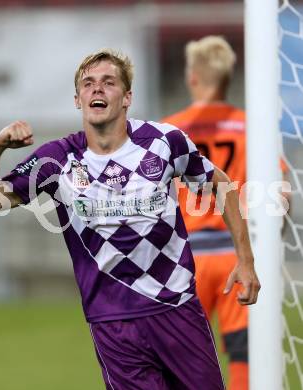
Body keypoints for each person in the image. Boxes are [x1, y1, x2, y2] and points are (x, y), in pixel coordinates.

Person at [0, 49, 260, 390]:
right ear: (78, 99)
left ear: (127, 96)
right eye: (88, 84)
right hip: (113, 323)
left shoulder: (164, 142)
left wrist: (246, 260)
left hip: (176, 311)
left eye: (108, 82)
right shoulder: (57, 160)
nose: (97, 89)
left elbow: (219, 183)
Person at [162, 36, 250, 390]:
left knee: (184, 354)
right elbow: (282, 191)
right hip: (235, 254)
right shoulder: (250, 127)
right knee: (244, 352)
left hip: (188, 258)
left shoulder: (171, 129)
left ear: (193, 78)